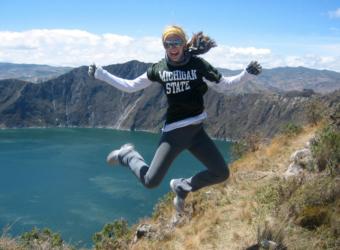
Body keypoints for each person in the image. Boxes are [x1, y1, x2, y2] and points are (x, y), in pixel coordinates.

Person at [88, 25, 262, 215]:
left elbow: (224, 85)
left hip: (197, 133)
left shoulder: (198, 65)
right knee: (150, 182)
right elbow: (130, 87)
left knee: (221, 173)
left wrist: (246, 74)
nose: (172, 47)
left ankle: (182, 187)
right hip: (173, 135)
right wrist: (101, 74)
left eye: (176, 42)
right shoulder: (159, 68)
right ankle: (127, 156)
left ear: (183, 43)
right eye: (167, 43)